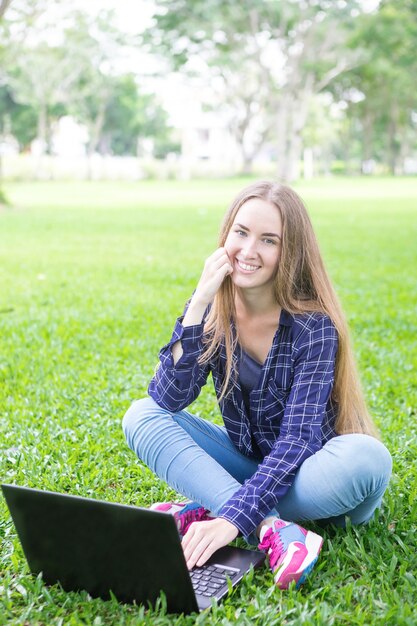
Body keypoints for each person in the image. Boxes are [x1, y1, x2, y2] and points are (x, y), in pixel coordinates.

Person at [122, 181, 392, 590]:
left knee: (368, 458)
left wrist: (232, 517)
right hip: (251, 465)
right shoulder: (213, 309)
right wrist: (197, 305)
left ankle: (220, 509)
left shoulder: (314, 327)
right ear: (226, 235)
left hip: (313, 478)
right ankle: (273, 529)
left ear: (290, 252)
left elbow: (297, 443)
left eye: (269, 240)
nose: (249, 251)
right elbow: (168, 398)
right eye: (241, 233)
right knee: (141, 415)